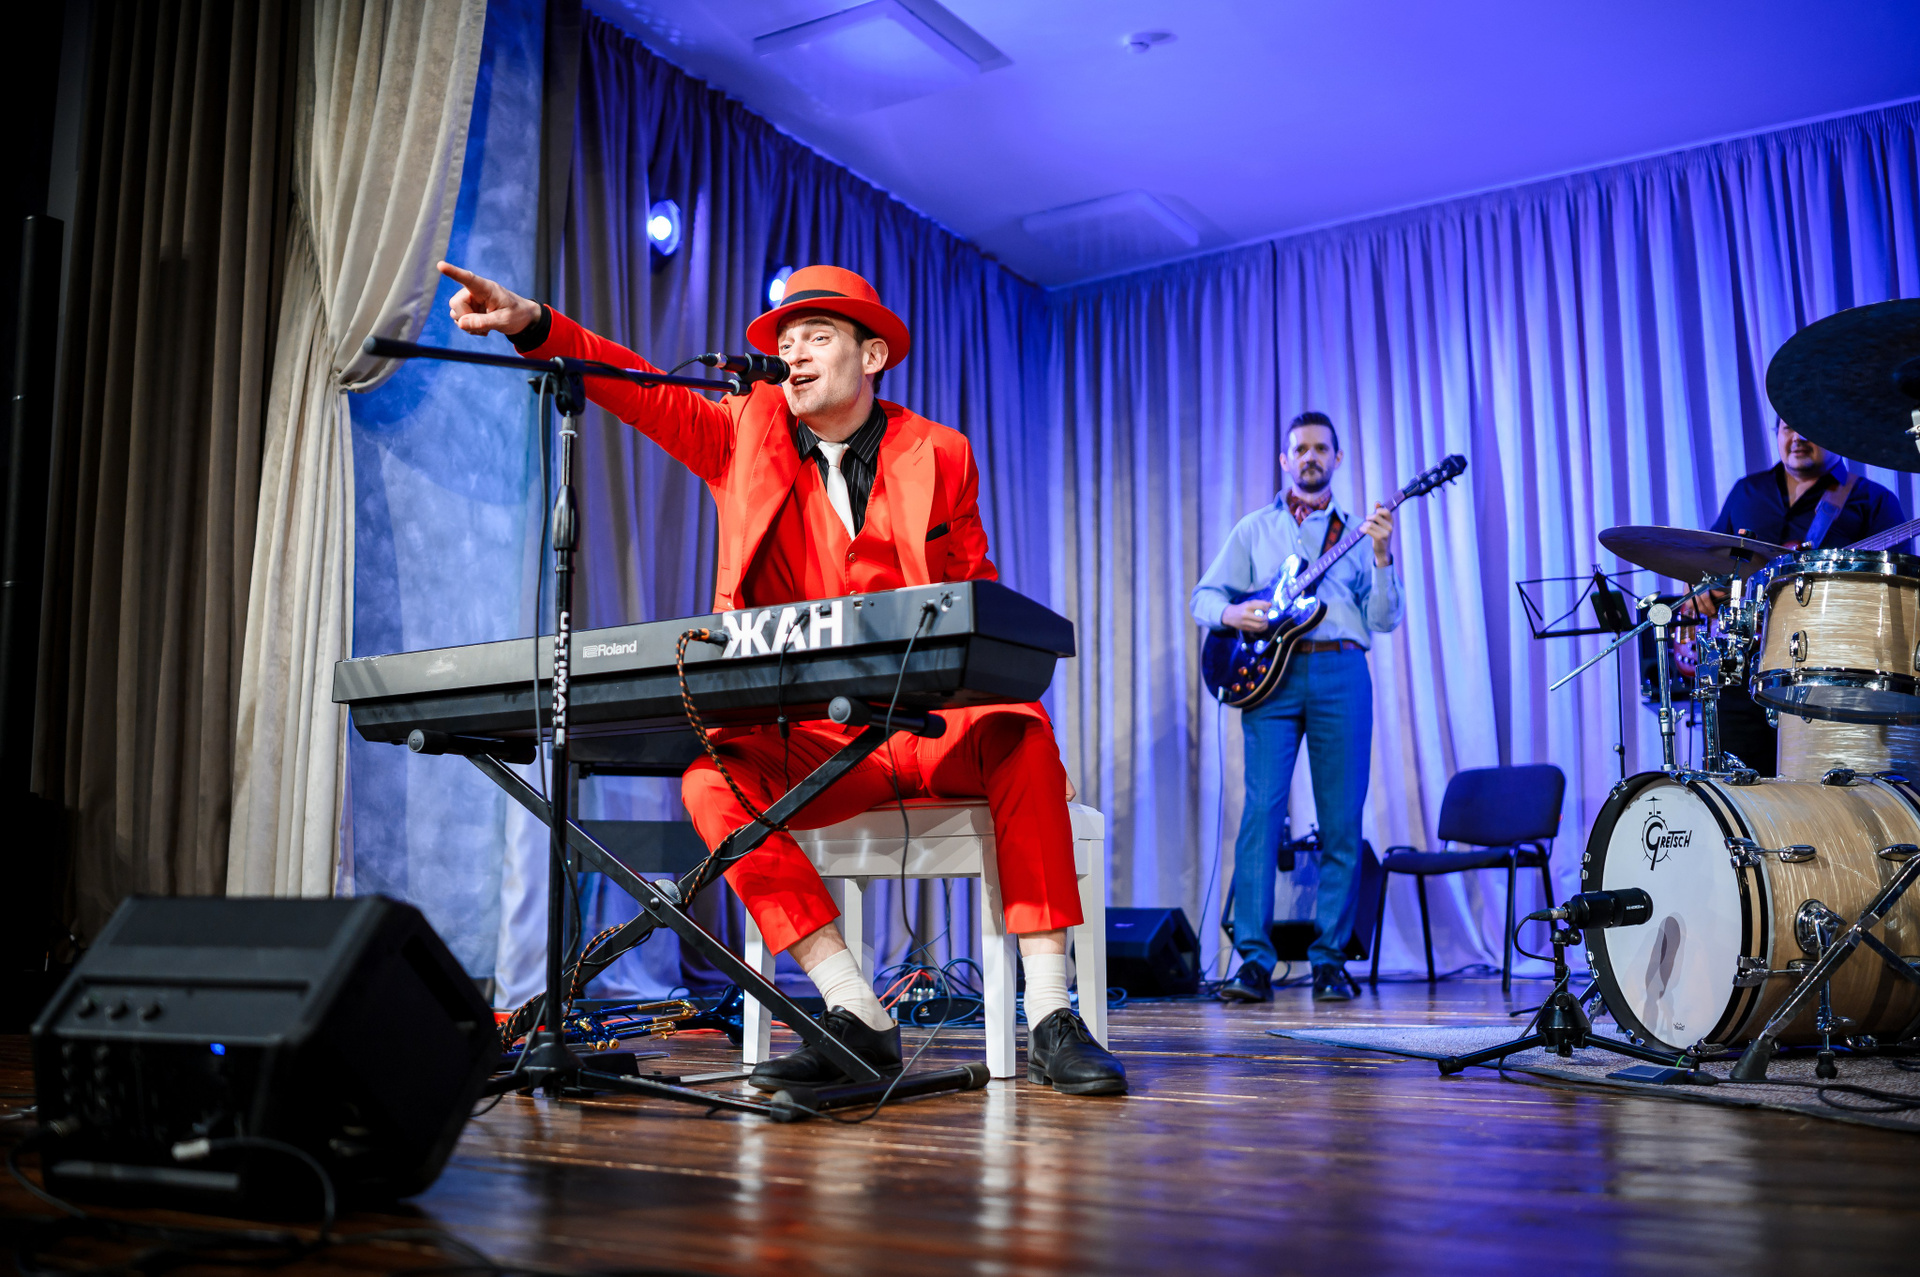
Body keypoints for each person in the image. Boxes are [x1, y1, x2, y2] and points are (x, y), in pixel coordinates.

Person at [437, 261, 1125, 1097]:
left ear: (872, 356)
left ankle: (1051, 1014)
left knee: (1021, 734)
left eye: (817, 337)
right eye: (786, 340)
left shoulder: (940, 453)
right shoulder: (743, 433)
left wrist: (1027, 728)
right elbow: (639, 388)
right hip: (817, 737)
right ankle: (852, 1008)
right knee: (711, 781)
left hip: (931, 729)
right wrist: (533, 323)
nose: (793, 354)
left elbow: (977, 601)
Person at [1191, 412, 1403, 1004]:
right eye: (1300, 449)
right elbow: (1203, 597)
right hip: (1270, 680)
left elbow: (1385, 619)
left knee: (1341, 820)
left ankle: (1330, 960)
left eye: (1321, 448)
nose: (1310, 456)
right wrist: (1232, 614)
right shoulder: (1255, 529)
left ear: (1338, 458)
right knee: (1261, 816)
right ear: (1286, 460)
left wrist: (1382, 556)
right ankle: (1253, 963)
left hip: (1342, 670)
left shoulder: (1360, 534)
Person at [1692, 418, 1909, 774]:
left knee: (1817, 790)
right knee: (1736, 786)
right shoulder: (1747, 491)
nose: (1799, 437)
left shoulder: (1875, 500)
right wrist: (1700, 588)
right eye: (1788, 428)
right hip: (1741, 672)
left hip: (1827, 677)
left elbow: (1898, 598)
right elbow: (1710, 562)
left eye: (1810, 426)